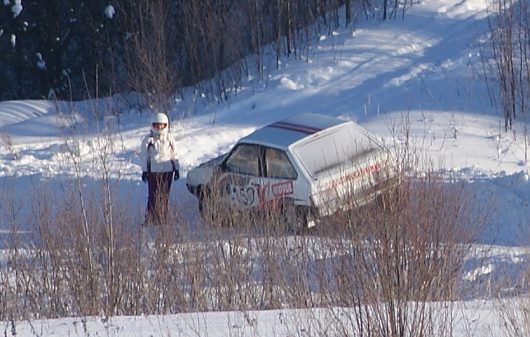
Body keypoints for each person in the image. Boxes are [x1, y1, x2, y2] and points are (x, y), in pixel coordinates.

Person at [140, 112, 179, 225]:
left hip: (167, 171)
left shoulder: (170, 139)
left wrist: (176, 169)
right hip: (153, 171)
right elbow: (144, 156)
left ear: (166, 125)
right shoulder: (148, 140)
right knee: (152, 195)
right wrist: (144, 171)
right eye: (157, 125)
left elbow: (174, 155)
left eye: (162, 125)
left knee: (164, 195)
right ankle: (149, 219)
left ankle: (162, 218)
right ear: (152, 125)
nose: (159, 127)